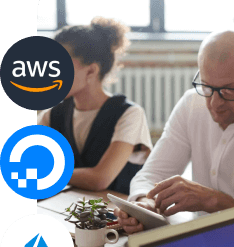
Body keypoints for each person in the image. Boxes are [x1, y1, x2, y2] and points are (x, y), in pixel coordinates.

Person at [115, 30, 234, 234]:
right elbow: (151, 174)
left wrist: (213, 200)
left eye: (228, 91)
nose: (215, 103)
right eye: (206, 86)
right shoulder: (192, 104)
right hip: (199, 237)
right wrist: (144, 203)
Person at [37, 17, 152, 195]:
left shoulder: (129, 114)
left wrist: (49, 173)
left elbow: (99, 179)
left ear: (91, 70)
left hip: (117, 216)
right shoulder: (50, 115)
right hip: (67, 210)